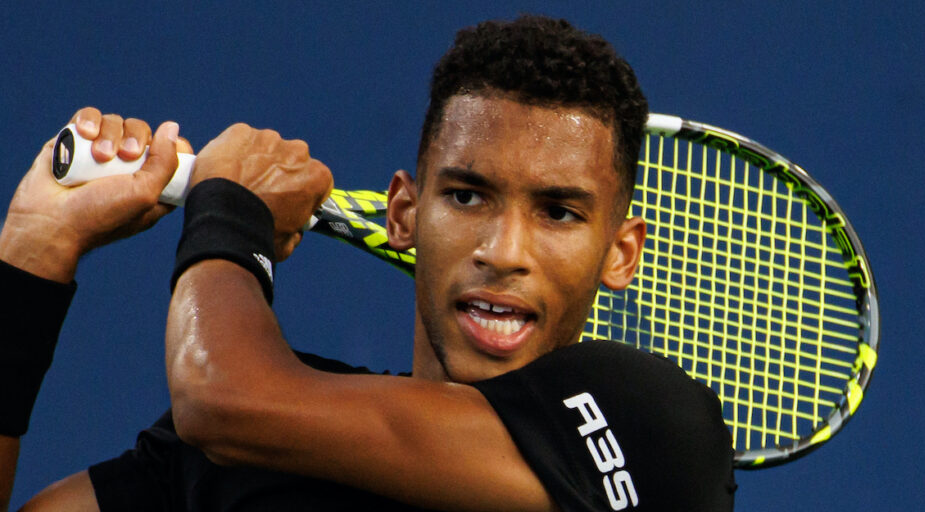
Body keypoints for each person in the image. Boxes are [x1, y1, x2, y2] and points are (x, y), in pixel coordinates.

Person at [1, 16, 736, 512]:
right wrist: (33, 256)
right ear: (405, 215)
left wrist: (229, 206)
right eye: (469, 195)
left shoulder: (656, 432)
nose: (504, 252)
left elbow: (222, 399)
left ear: (620, 252)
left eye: (559, 212)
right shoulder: (236, 458)